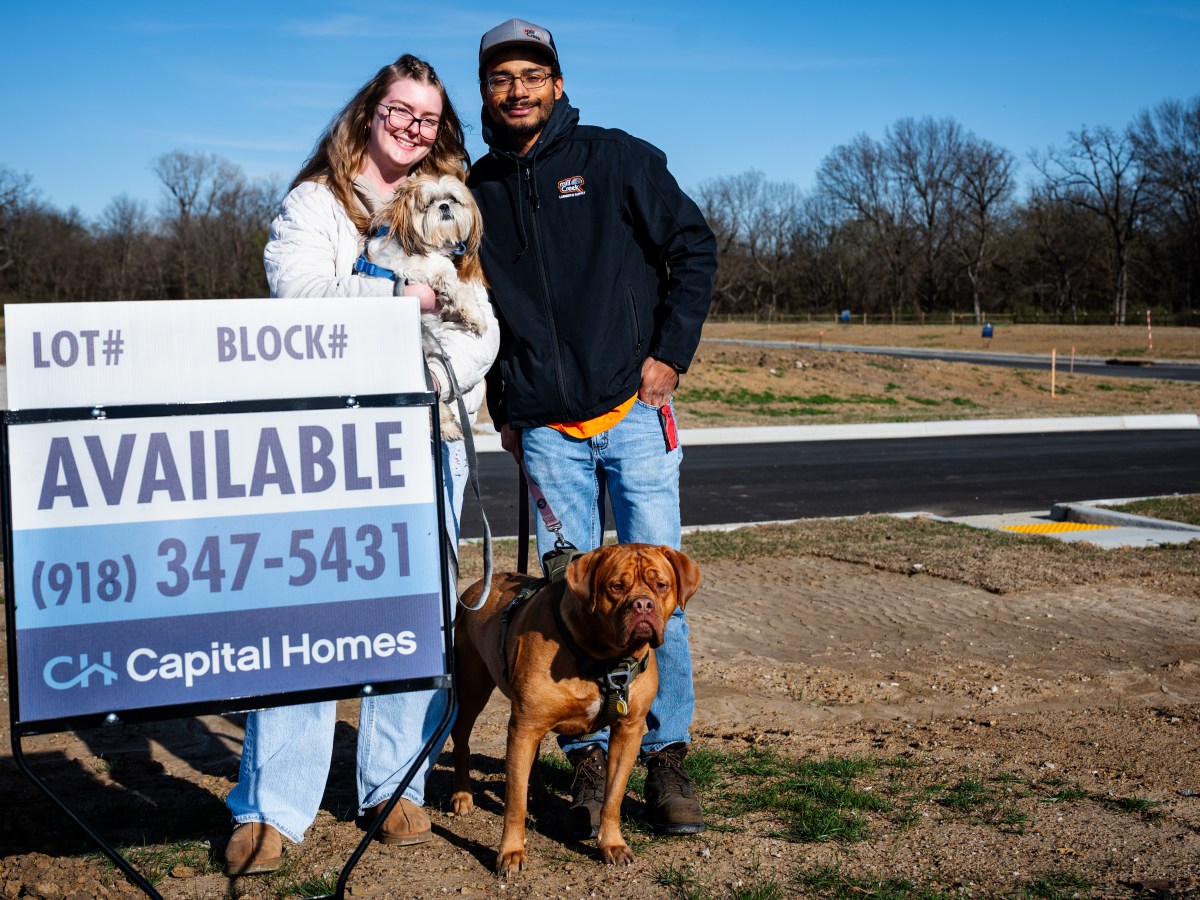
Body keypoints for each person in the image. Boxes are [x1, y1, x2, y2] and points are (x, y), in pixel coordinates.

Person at [223, 54, 499, 875]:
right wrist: (398, 302)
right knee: (306, 619)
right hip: (329, 445)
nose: (412, 129)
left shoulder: (449, 200)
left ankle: (394, 783)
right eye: (398, 112)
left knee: (412, 616)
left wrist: (439, 363)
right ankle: (273, 807)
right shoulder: (318, 200)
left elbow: (478, 322)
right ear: (369, 111)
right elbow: (298, 301)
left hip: (429, 435)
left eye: (426, 118)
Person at [468, 19, 718, 837]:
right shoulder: (478, 190)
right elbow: (482, 309)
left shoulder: (614, 159)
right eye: (502, 78)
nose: (518, 90)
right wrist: (508, 409)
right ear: (486, 92)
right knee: (566, 598)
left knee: (657, 598)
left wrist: (669, 357)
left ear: (558, 84)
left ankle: (666, 759)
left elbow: (693, 248)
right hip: (546, 429)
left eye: (531, 75)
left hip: (632, 415)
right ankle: (582, 763)